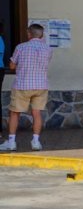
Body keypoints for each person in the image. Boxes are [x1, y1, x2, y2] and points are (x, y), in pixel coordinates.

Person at [3, 23, 53, 151]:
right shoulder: (48, 49)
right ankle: (36, 142)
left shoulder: (21, 47)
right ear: (41, 35)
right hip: (41, 85)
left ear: (29, 34)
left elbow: (12, 66)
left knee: (15, 113)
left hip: (22, 84)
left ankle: (11, 142)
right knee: (36, 113)